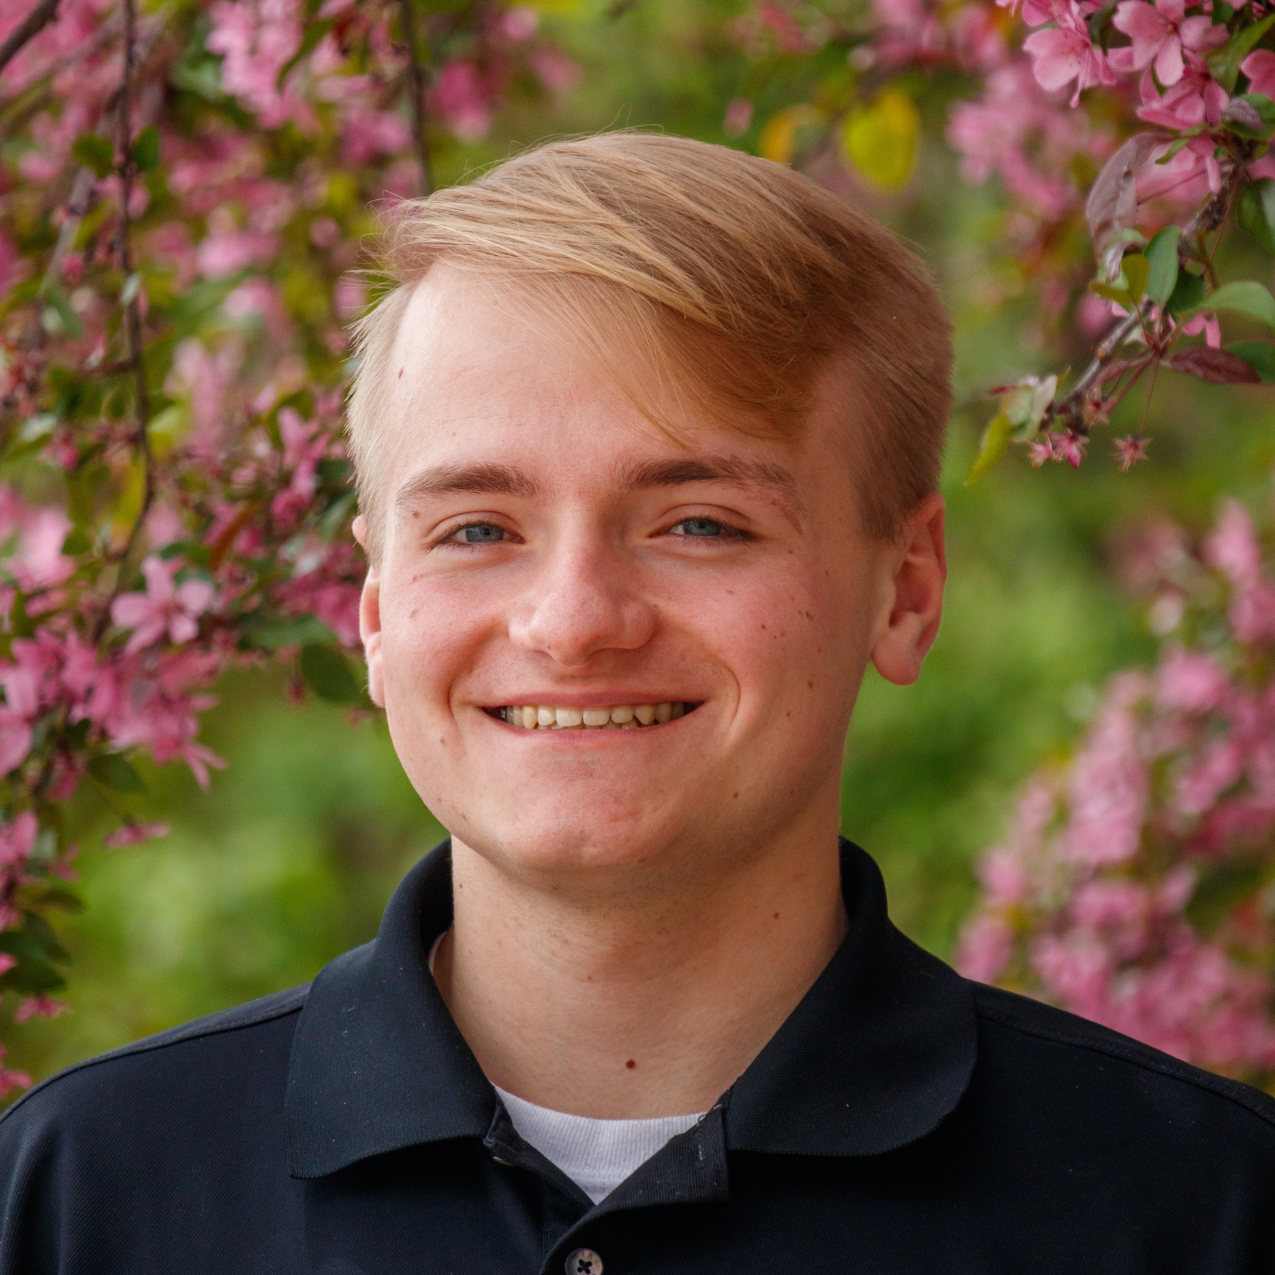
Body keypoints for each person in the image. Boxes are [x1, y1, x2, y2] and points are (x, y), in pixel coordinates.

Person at [1, 132, 1273, 1275]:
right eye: (479, 527)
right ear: (377, 610)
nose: (572, 619)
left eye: (700, 523)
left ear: (907, 590)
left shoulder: (1197, 1210)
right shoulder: (77, 1199)